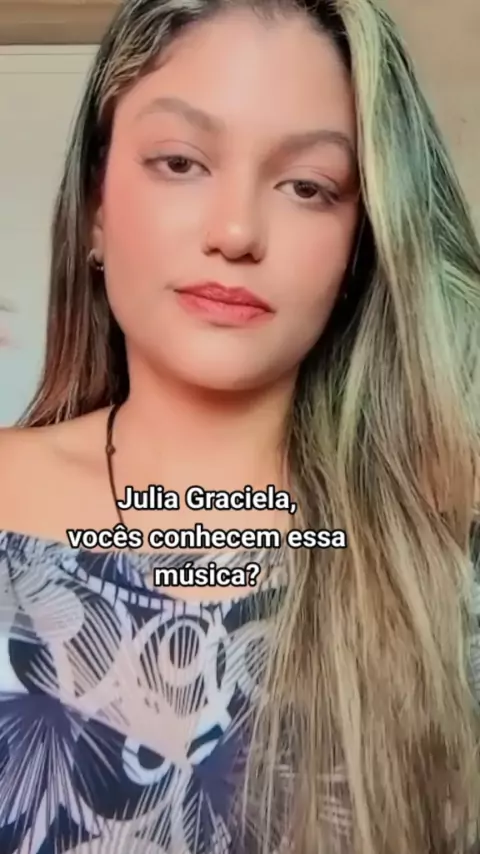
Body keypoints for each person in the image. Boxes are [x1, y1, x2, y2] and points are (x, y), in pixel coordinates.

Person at [0, 0, 479, 851]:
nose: (236, 232)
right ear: (96, 208)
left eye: (308, 187)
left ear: (361, 245)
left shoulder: (445, 573)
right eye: (181, 162)